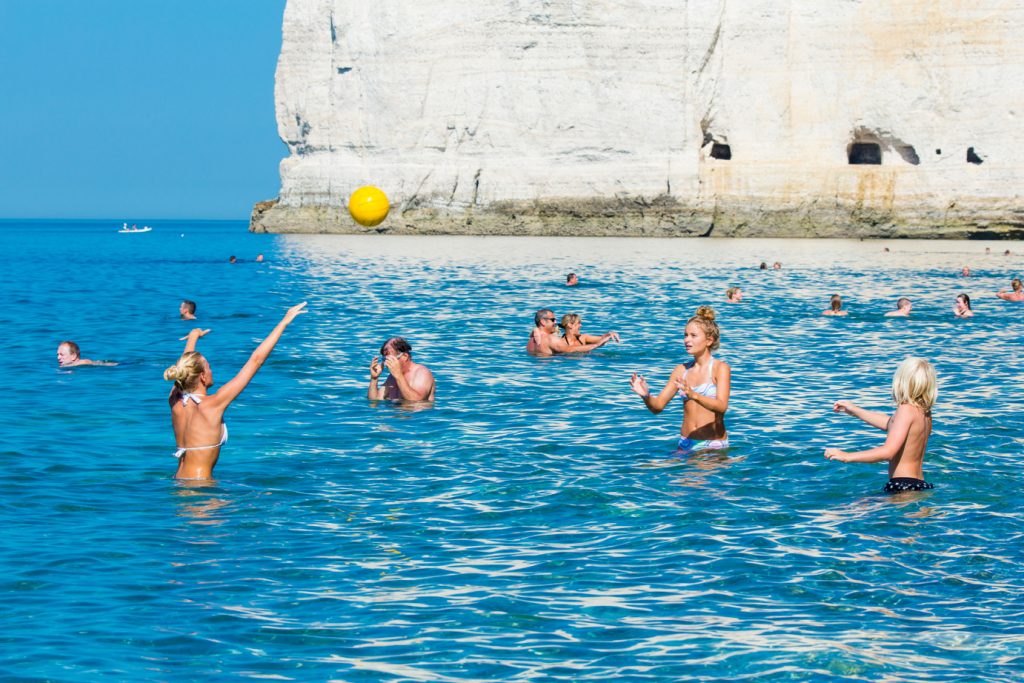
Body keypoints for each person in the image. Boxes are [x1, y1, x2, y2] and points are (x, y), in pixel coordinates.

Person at [163, 302, 307, 480]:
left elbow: (184, 365)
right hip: (201, 492)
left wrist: (193, 336)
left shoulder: (175, 401)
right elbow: (256, 361)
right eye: (209, 367)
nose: (211, 371)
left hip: (178, 482)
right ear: (202, 376)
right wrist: (284, 322)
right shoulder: (212, 404)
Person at [824, 357, 937, 493]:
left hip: (902, 485)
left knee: (848, 511)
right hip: (919, 485)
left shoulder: (905, 410)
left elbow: (888, 452)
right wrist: (855, 410)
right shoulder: (924, 413)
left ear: (901, 382)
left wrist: (846, 456)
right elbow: (891, 424)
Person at [629, 306, 731, 455]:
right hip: (685, 443)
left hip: (712, 445)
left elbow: (722, 406)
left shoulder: (720, 368)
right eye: (685, 335)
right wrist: (646, 396)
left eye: (693, 335)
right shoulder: (681, 370)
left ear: (709, 340)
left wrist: (693, 394)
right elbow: (657, 407)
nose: (687, 340)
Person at [368, 337, 435, 401]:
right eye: (385, 359)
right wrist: (374, 378)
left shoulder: (422, 373)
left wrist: (399, 376)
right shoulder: (392, 377)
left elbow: (416, 402)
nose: (386, 363)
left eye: (390, 359)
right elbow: (375, 400)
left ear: (405, 356)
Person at [527, 309, 616, 356]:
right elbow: (571, 350)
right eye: (553, 320)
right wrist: (596, 345)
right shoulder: (551, 339)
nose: (555, 322)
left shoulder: (531, 340)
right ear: (542, 322)